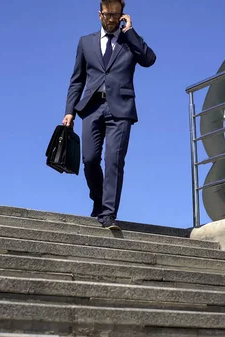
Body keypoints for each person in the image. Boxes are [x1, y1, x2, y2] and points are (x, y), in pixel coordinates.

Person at [62, 0, 156, 230]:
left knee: (114, 160)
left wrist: (131, 31)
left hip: (121, 109)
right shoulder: (86, 42)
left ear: (122, 15)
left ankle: (108, 213)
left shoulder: (129, 41)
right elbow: (77, 81)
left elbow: (149, 59)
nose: (112, 19)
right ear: (99, 14)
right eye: (108, 14)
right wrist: (69, 112)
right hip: (92, 108)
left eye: (117, 14)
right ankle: (98, 199)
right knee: (90, 159)